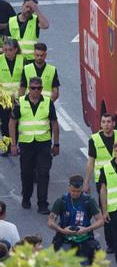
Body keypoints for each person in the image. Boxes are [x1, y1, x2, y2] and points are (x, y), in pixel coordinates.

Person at [9, 75, 60, 213]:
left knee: (43, 173)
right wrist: (13, 144)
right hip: (26, 144)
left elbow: (54, 124)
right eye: (33, 88)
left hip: (43, 144)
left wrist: (56, 144)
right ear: (29, 89)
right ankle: (26, 197)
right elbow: (12, 123)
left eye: (38, 88)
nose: (36, 90)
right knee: (27, 173)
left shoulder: (48, 103)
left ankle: (42, 204)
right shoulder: (20, 102)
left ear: (42, 89)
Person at [84, 112, 117, 252]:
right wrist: (86, 182)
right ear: (100, 124)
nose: (106, 125)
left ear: (113, 124)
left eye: (109, 122)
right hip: (102, 181)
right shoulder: (94, 139)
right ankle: (110, 243)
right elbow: (91, 162)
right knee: (106, 210)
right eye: (103, 122)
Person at [48, 174, 104, 264]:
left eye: (78, 191)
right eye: (73, 191)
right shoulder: (61, 201)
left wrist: (86, 229)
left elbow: (100, 221)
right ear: (69, 187)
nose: (75, 193)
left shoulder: (89, 201)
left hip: (84, 240)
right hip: (65, 240)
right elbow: (50, 222)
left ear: (82, 188)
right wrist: (62, 230)